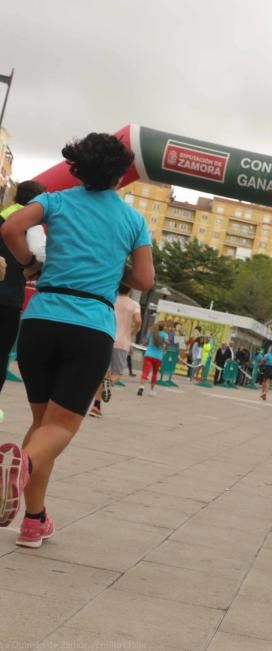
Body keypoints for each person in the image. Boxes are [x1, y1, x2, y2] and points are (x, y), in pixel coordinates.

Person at [0, 132, 154, 547]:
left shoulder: (56, 202)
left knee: (42, 424)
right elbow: (144, 279)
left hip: (41, 320)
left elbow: (13, 226)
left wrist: (30, 264)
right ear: (120, 175)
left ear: (76, 168)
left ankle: (35, 520)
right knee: (62, 427)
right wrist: (110, 265)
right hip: (89, 326)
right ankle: (18, 467)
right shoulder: (132, 221)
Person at [0, 180, 47, 396]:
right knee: (1, 354)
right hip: (8, 299)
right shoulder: (31, 225)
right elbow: (42, 252)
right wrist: (31, 267)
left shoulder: (2, 215)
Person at [89, 284, 140, 417]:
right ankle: (109, 384)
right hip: (122, 342)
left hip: (106, 338)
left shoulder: (112, 299)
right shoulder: (134, 304)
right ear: (130, 289)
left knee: (103, 374)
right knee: (116, 373)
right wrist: (131, 332)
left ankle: (96, 406)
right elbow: (138, 321)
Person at [137, 321, 168, 397]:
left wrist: (141, 345)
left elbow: (145, 342)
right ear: (163, 327)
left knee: (145, 372)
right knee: (154, 374)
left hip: (148, 355)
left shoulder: (151, 332)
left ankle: (141, 387)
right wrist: (164, 347)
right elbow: (166, 344)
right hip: (158, 357)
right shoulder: (165, 335)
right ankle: (151, 391)